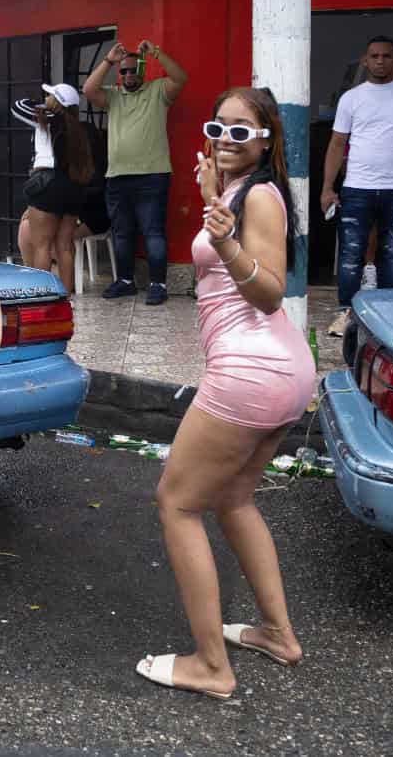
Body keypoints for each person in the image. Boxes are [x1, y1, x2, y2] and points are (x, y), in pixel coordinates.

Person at [135, 86, 313, 701]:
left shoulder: (262, 197)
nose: (227, 140)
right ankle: (277, 633)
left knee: (177, 503)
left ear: (267, 139)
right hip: (280, 371)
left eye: (243, 131)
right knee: (235, 499)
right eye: (219, 127)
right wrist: (214, 202)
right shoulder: (234, 195)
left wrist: (229, 239)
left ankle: (211, 665)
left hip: (251, 372)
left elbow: (269, 292)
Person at [320, 36, 393, 336]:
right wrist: (328, 187)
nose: (381, 61)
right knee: (351, 255)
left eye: (386, 56)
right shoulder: (351, 99)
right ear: (365, 60)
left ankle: (387, 319)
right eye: (375, 56)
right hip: (357, 188)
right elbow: (336, 143)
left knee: (392, 254)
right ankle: (346, 314)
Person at [82, 40, 187, 306]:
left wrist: (156, 53)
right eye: (124, 71)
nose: (128, 75)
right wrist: (108, 60)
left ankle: (158, 284)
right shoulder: (113, 96)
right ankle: (126, 281)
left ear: (142, 70)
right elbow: (88, 89)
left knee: (153, 232)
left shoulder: (158, 91)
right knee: (122, 233)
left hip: (153, 176)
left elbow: (180, 77)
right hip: (117, 177)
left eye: (133, 70)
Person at [12, 83, 95, 293]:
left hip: (47, 185)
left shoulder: (46, 120)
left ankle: (44, 296)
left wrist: (48, 107)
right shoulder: (80, 128)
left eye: (50, 95)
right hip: (72, 188)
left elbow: (18, 105)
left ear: (57, 102)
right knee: (65, 246)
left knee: (42, 246)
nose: (45, 97)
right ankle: (65, 298)